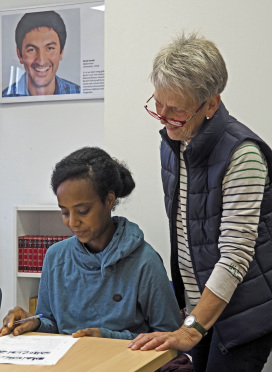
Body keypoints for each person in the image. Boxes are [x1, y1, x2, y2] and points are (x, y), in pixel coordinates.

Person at [128, 33, 272, 371]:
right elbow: (187, 234)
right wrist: (187, 314)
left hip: (243, 315)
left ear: (211, 104)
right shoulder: (174, 141)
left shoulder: (243, 154)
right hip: (200, 310)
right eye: (158, 104)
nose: (164, 118)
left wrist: (192, 330)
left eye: (176, 111)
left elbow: (235, 255)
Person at [0, 147, 182, 340]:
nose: (72, 222)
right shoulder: (55, 257)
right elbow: (52, 323)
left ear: (109, 200)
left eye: (83, 211)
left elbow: (170, 337)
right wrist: (35, 322)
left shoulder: (144, 261)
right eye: (64, 212)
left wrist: (107, 338)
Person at [2, 11, 80, 97]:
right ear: (19, 54)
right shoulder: (5, 98)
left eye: (50, 48)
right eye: (32, 50)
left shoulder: (78, 94)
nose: (41, 61)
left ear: (61, 52)